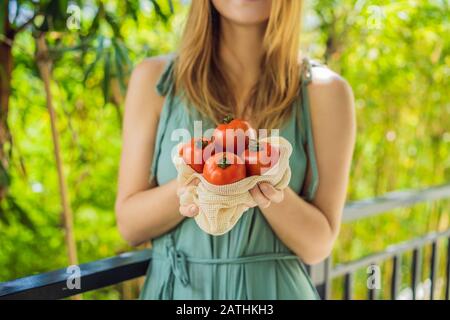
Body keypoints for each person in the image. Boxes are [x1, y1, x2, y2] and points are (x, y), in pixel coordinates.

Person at [115, 0, 356, 299]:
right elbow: (130, 225)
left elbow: (318, 245)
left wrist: (258, 179)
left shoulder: (326, 92)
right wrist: (200, 181)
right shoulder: (154, 80)